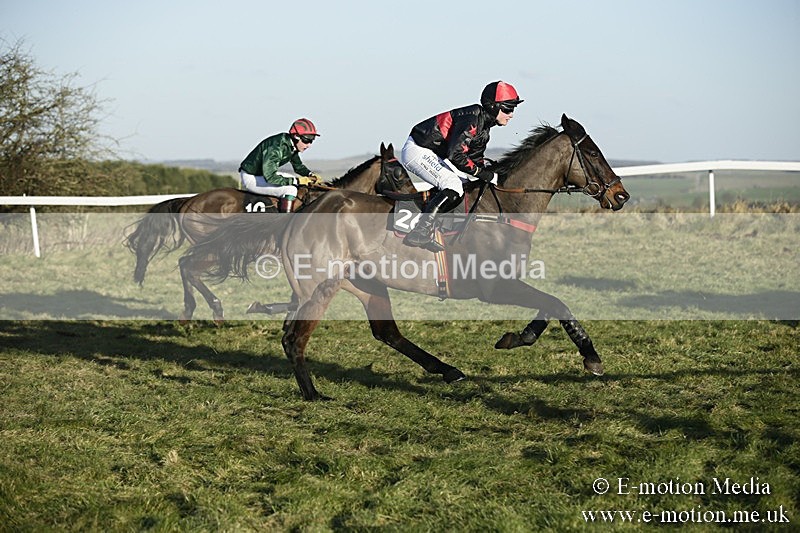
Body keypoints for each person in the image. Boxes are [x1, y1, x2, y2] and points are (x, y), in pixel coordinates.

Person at [399, 81, 523, 251]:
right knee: (453, 185)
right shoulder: (472, 118)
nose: (511, 115)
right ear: (494, 107)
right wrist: (484, 174)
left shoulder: (484, 128)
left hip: (431, 152)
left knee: (464, 185)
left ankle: (437, 228)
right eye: (508, 109)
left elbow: (475, 158)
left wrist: (492, 171)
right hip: (418, 149)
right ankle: (420, 232)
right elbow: (455, 155)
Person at [238, 118, 323, 212]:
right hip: (252, 178)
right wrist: (298, 181)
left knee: (293, 181)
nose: (309, 145)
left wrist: (311, 175)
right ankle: (284, 222)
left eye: (312, 141)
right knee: (291, 190)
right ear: (296, 136)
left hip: (262, 175)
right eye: (306, 141)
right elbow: (270, 177)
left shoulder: (291, 145)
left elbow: (298, 167)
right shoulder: (275, 148)